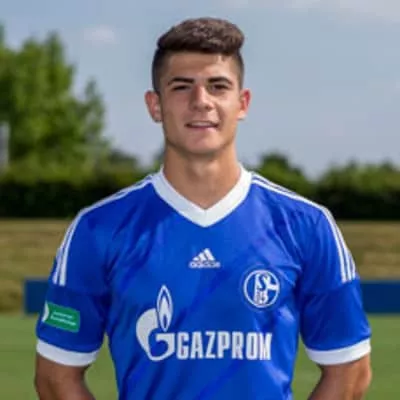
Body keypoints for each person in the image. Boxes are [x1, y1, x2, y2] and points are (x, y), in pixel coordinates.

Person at [34, 17, 372, 400]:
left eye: (218, 86)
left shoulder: (305, 225)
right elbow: (55, 377)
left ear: (242, 103)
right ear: (155, 105)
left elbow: (350, 371)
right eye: (181, 87)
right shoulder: (100, 229)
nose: (201, 101)